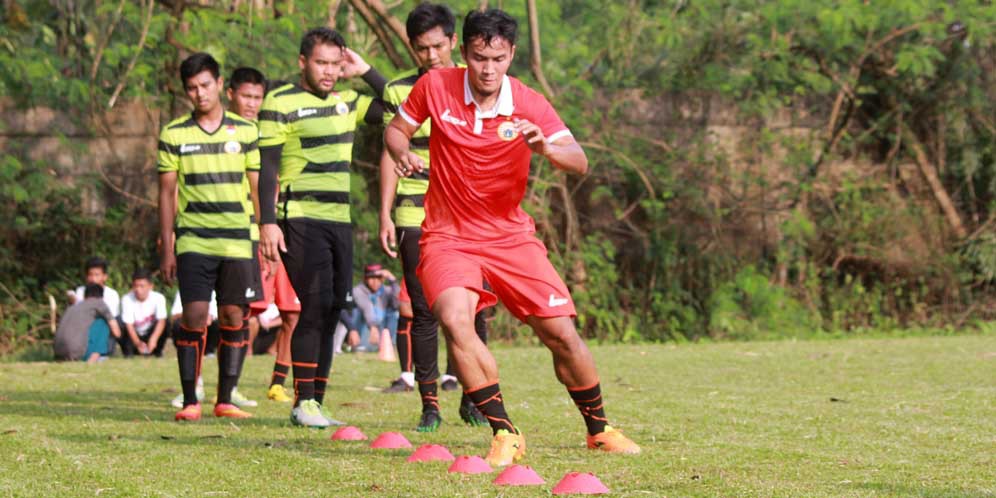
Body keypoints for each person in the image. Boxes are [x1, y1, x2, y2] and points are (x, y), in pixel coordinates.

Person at [384, 8, 640, 465]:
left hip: (510, 236)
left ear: (512, 55)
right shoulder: (435, 86)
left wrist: (545, 146)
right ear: (463, 53)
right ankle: (504, 429)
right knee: (454, 318)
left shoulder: (528, 103)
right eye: (480, 57)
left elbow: (578, 159)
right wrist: (402, 152)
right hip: (449, 235)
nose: (488, 69)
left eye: (498, 59)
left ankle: (599, 428)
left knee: (561, 334)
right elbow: (396, 130)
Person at [257, 27, 387, 428]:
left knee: (334, 307)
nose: (329, 71)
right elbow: (268, 168)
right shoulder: (279, 102)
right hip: (300, 217)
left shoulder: (348, 101)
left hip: (339, 221)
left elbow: (401, 107)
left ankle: (316, 400)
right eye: (321, 63)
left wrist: (364, 70)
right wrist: (267, 222)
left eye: (335, 63)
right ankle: (303, 402)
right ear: (302, 62)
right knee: (312, 306)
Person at [378, 2, 489, 432]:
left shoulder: (477, 84)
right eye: (421, 48)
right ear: (412, 46)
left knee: (474, 310)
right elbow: (389, 152)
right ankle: (429, 407)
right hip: (414, 212)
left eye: (438, 46)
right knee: (423, 311)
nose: (430, 56)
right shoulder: (396, 90)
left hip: (467, 216)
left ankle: (473, 398)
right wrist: (385, 213)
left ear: (453, 42)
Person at [158, 52, 262, 421]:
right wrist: (166, 245)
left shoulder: (247, 131)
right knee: (196, 315)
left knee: (235, 315)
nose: (199, 94)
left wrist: (262, 238)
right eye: (191, 88)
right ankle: (190, 400)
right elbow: (167, 194)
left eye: (205, 85)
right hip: (193, 240)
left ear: (220, 85)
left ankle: (226, 399)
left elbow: (256, 188)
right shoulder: (173, 133)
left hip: (236, 239)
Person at [54, 284, 122, 363]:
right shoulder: (99, 303)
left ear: (85, 296)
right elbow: (117, 333)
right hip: (76, 352)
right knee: (103, 322)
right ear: (101, 296)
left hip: (58, 353)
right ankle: (93, 359)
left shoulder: (73, 307)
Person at [349, 264, 400, 352]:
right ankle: (359, 346)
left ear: (382, 279)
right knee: (356, 311)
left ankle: (390, 344)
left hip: (380, 327)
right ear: (365, 279)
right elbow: (367, 307)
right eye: (372, 278)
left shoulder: (386, 290)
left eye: (378, 278)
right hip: (365, 327)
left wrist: (393, 281)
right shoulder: (358, 290)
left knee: (395, 312)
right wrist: (372, 326)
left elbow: (398, 304)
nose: (375, 282)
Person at [119, 268, 168, 357]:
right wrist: (137, 343)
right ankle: (129, 352)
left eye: (142, 286)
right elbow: (128, 325)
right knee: (120, 323)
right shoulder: (126, 299)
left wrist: (154, 338)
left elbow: (161, 321)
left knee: (167, 322)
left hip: (150, 333)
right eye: (135, 286)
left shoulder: (159, 298)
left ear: (150, 286)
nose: (138, 289)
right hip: (134, 334)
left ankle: (157, 351)